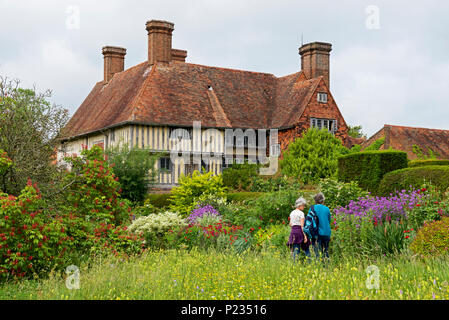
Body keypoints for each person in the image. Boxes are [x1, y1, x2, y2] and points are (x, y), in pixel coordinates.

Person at [307, 193, 331, 260]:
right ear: (323, 200)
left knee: (317, 252)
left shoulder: (312, 208)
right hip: (326, 232)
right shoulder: (327, 209)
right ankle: (326, 266)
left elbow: (309, 221)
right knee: (326, 251)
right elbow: (329, 220)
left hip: (316, 233)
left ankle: (319, 267)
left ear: (315, 200)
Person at [287, 197, 310, 262]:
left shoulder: (292, 213)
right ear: (300, 205)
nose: (304, 207)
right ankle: (310, 262)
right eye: (303, 205)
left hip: (293, 231)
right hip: (300, 231)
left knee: (296, 249)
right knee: (306, 247)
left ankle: (295, 264)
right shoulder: (301, 213)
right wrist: (305, 236)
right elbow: (302, 226)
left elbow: (290, 224)